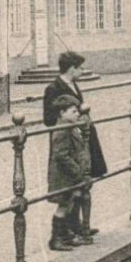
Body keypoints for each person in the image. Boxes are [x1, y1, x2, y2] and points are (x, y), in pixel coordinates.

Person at [44, 52, 107, 239]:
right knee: (72, 182)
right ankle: (69, 228)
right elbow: (48, 119)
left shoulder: (73, 84)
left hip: (81, 137)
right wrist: (68, 121)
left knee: (82, 181)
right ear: (71, 68)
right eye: (80, 68)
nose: (82, 71)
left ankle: (77, 224)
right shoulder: (53, 88)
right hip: (68, 138)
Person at [46, 95, 90, 251]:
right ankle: (55, 239)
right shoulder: (62, 129)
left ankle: (65, 235)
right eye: (73, 111)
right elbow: (61, 154)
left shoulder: (69, 126)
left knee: (69, 202)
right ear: (62, 113)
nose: (77, 114)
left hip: (68, 175)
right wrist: (78, 171)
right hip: (63, 176)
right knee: (63, 205)